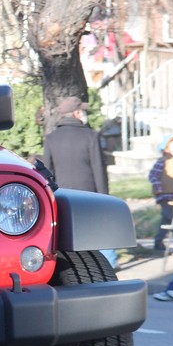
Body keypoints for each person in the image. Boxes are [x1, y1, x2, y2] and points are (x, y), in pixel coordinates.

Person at [42, 95, 118, 268]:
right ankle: (110, 263)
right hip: (88, 193)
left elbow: (47, 172)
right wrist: (104, 197)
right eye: (82, 110)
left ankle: (75, 266)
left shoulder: (51, 139)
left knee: (69, 232)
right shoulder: (91, 136)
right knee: (97, 229)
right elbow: (99, 169)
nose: (84, 114)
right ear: (76, 113)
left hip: (62, 195)